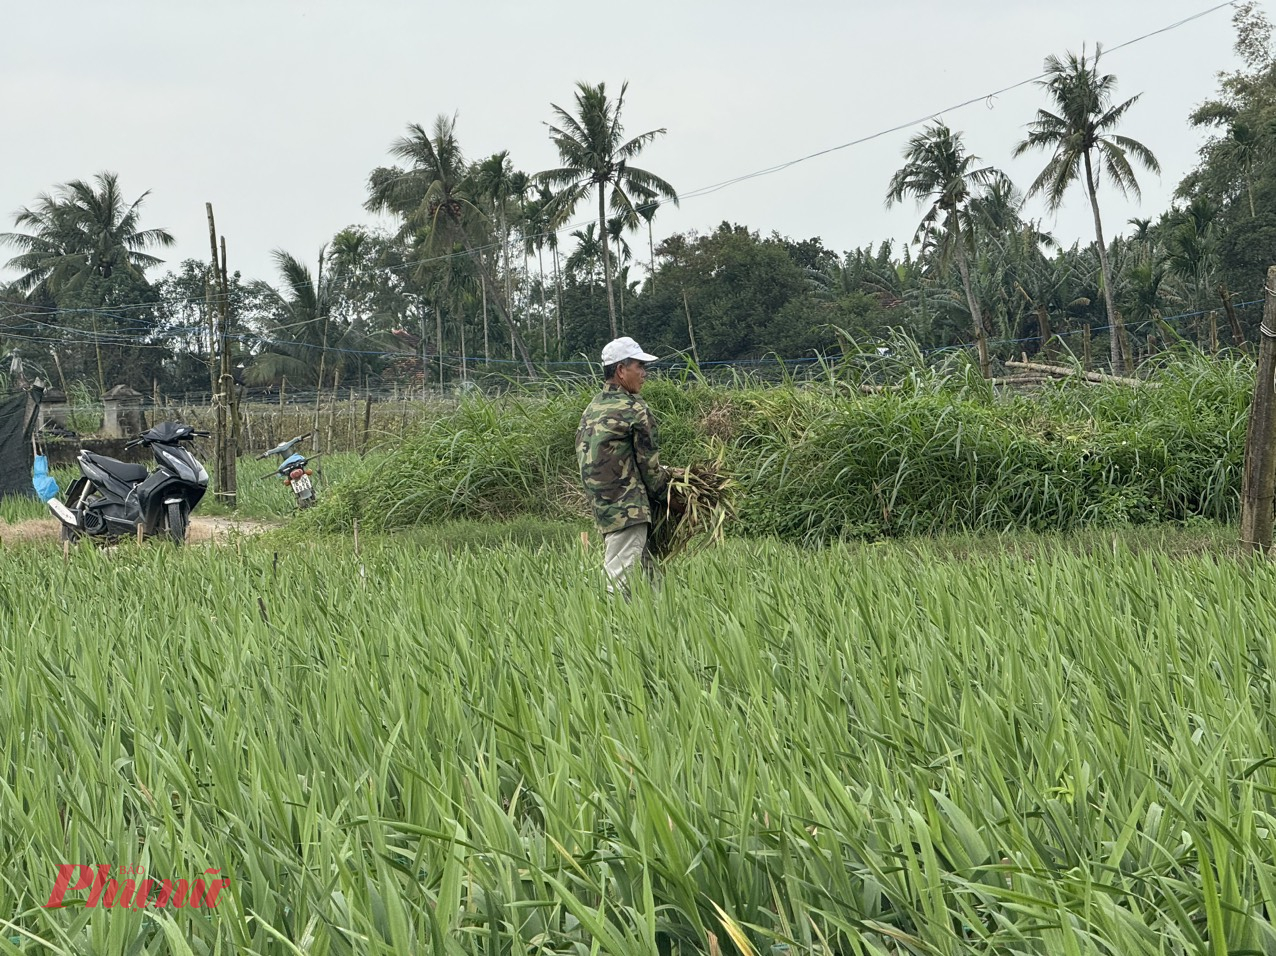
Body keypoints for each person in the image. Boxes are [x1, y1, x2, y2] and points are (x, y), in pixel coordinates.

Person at [576, 336, 671, 595]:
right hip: (629, 511)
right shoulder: (634, 409)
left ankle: (662, 629)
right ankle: (609, 631)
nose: (644, 373)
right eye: (639, 366)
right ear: (620, 370)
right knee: (618, 586)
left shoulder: (592, 408)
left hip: (605, 510)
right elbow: (649, 468)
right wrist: (671, 495)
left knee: (653, 582)